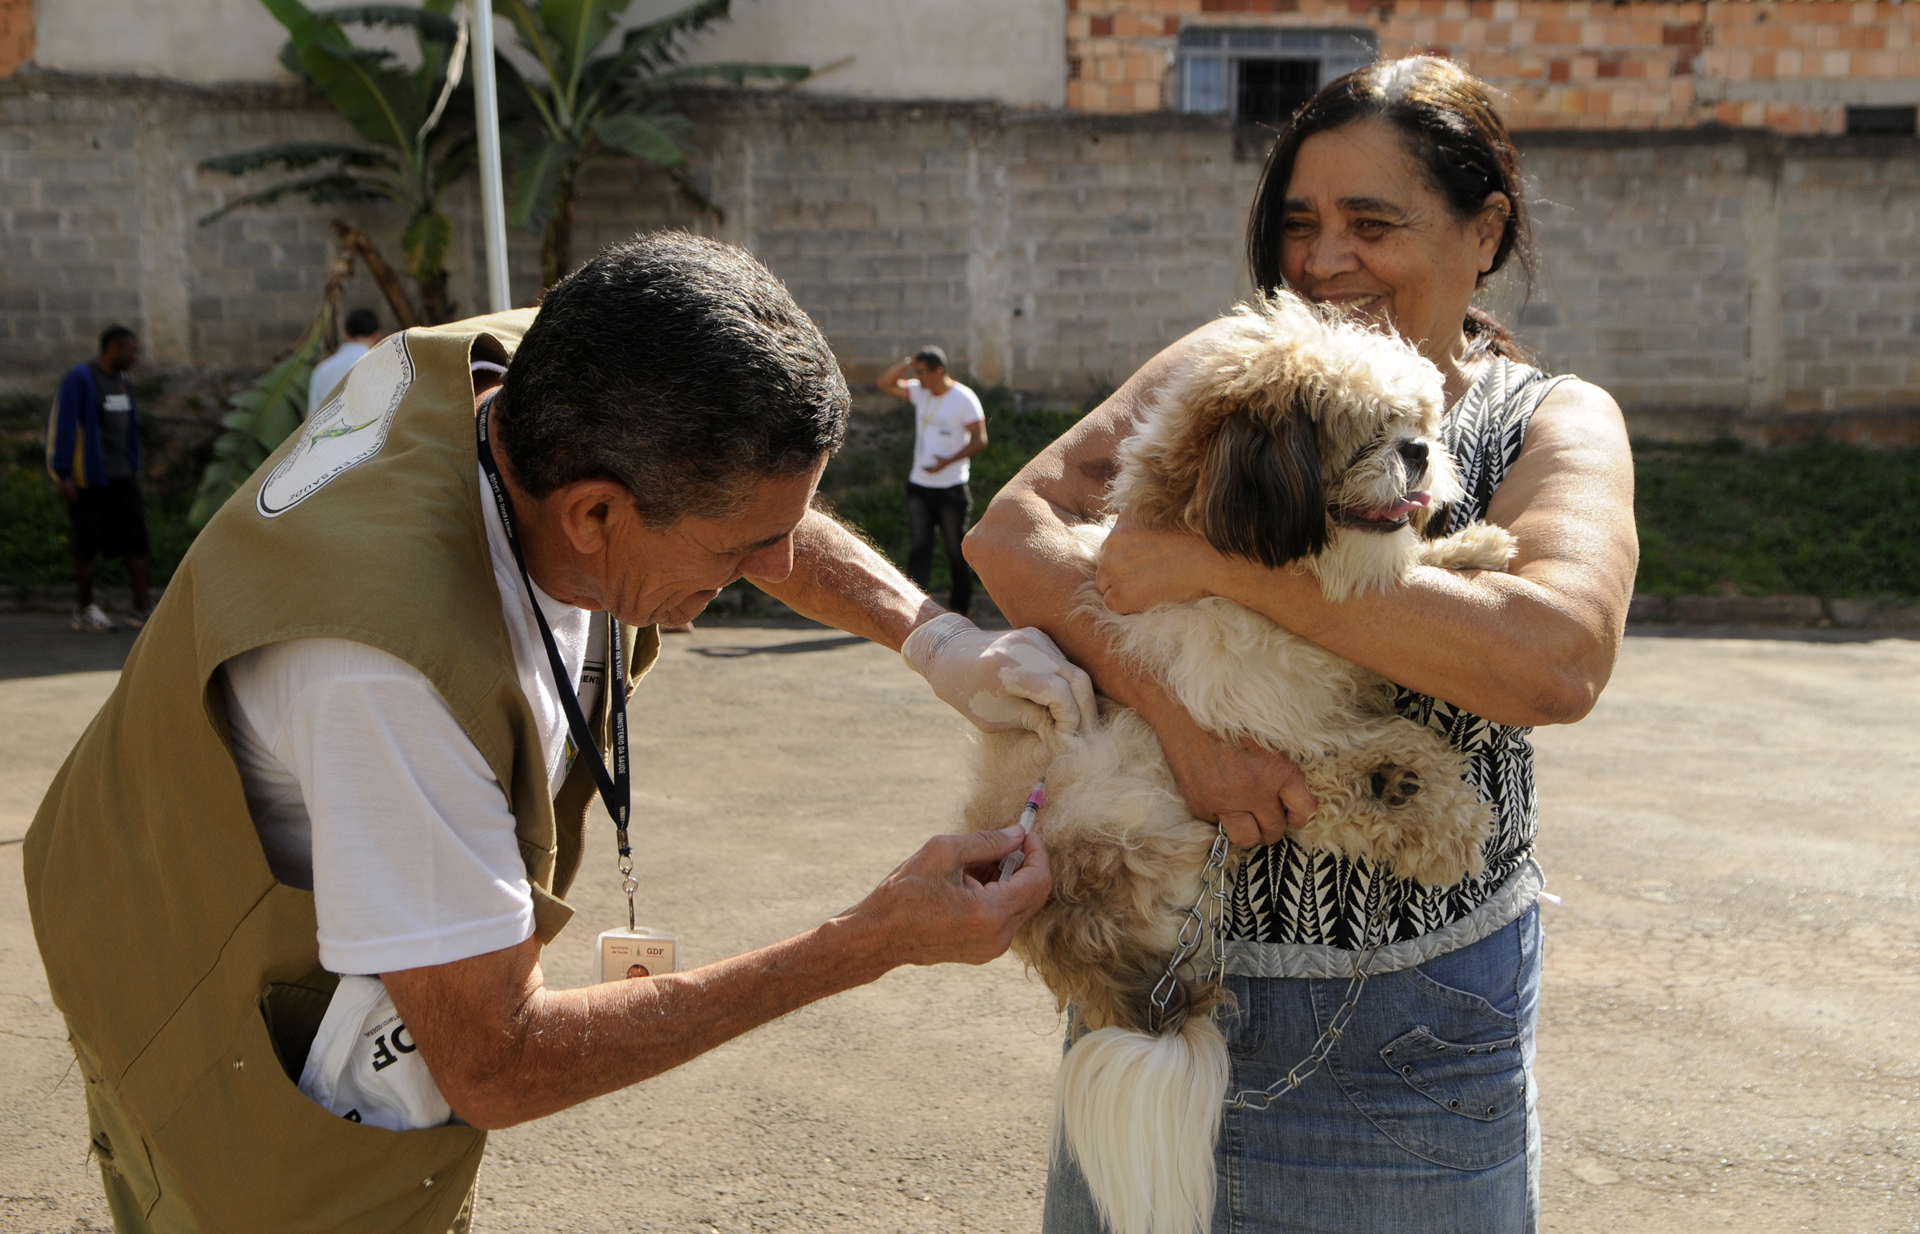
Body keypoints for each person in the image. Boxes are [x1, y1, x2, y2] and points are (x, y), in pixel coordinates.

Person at [25, 232, 1097, 1233]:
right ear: (594, 515)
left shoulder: (563, 370)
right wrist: (869, 940)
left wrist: (938, 637)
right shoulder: (388, 674)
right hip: (178, 960)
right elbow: (493, 1059)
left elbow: (754, 505)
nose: (761, 575)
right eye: (735, 558)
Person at [966, 57, 1637, 1234]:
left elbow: (1553, 658)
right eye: (1299, 225)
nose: (1326, 260)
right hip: (1153, 993)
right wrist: (1182, 724)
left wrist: (1220, 562)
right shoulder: (1225, 367)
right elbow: (1011, 535)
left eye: (1372, 224)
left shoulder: (1547, 418)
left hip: (1415, 1054)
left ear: (1484, 231)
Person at [47, 324, 151, 633]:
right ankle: (85, 610)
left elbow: (130, 426)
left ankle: (141, 609)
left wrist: (133, 463)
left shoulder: (123, 380)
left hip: (122, 476)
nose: (136, 357)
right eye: (131, 350)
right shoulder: (80, 379)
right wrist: (62, 474)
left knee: (136, 541)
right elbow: (63, 427)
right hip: (89, 479)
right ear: (113, 348)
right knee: (86, 545)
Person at [879, 345, 987, 616]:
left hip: (951, 487)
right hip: (919, 486)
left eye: (923, 372)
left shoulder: (964, 398)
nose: (918, 378)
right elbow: (884, 383)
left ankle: (961, 607)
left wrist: (946, 462)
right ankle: (916, 608)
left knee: (955, 549)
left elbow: (980, 439)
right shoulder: (920, 392)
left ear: (939, 371)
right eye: (915, 372)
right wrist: (907, 363)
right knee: (919, 547)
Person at [308, 307, 381, 417]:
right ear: (377, 335)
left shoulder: (322, 370)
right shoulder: (381, 367)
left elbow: (312, 418)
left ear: (344, 333)